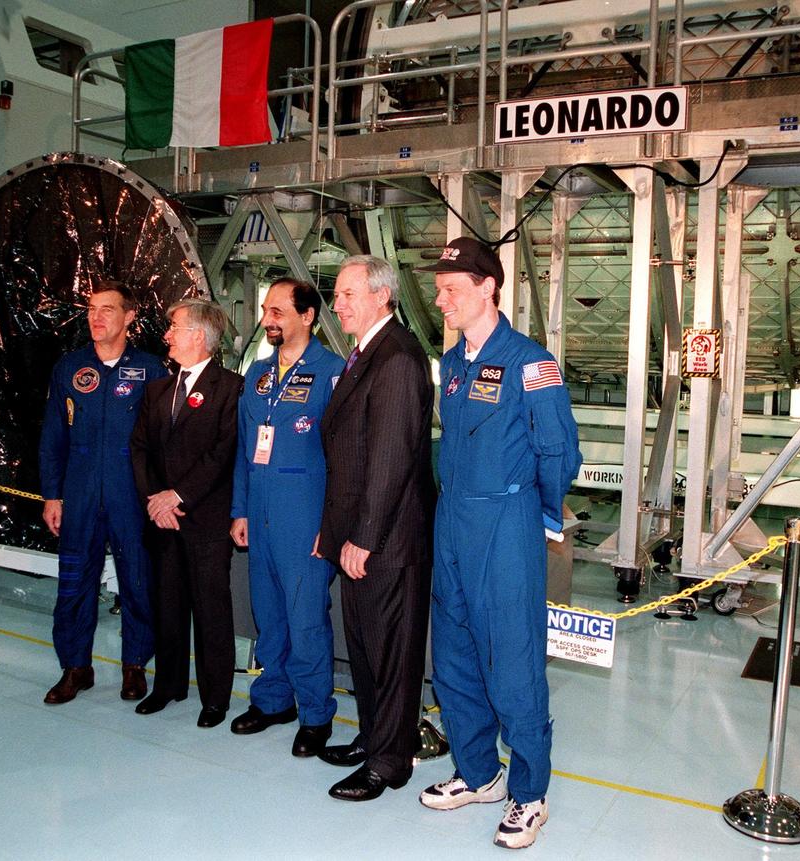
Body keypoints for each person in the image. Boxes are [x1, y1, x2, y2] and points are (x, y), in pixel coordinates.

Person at [418, 237, 582, 850]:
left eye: (451, 289)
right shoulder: (454, 363)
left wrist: (536, 513)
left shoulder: (530, 363)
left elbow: (558, 451)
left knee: (513, 659)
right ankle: (480, 773)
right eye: (438, 290)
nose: (441, 300)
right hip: (452, 519)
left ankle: (529, 793)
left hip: (504, 521)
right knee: (455, 653)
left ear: (488, 287)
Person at [315, 255, 435, 802]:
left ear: (381, 296)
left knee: (390, 655)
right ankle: (372, 737)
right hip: (360, 533)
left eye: (347, 294)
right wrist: (334, 529)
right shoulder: (366, 353)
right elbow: (350, 455)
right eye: (337, 294)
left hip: (387, 540)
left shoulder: (398, 358)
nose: (336, 304)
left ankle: (390, 762)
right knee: (364, 647)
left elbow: (389, 459)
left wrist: (362, 537)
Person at [229, 278, 345, 756]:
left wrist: (331, 525)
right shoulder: (257, 373)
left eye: (277, 311)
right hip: (259, 511)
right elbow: (244, 448)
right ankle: (273, 699)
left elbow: (344, 461)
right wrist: (240, 509)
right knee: (269, 614)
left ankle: (316, 713)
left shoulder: (333, 372)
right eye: (265, 311)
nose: (267, 320)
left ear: (307, 316)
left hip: (305, 517)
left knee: (305, 619)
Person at [39, 280, 167, 705]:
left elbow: (165, 441)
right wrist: (52, 495)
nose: (96, 317)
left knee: (137, 579)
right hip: (80, 492)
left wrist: (159, 494)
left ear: (129, 317)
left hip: (131, 493)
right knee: (74, 580)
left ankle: (135, 665)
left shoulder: (151, 369)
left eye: (106, 309)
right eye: (92, 309)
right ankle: (75, 667)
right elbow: (53, 435)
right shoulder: (70, 368)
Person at [129, 298, 242, 728]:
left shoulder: (231, 388)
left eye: (173, 327)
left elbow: (223, 453)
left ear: (198, 335)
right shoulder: (157, 390)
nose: (166, 336)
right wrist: (154, 500)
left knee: (211, 611)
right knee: (167, 606)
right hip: (162, 520)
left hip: (205, 520)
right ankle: (168, 685)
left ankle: (215, 697)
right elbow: (139, 448)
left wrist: (177, 495)